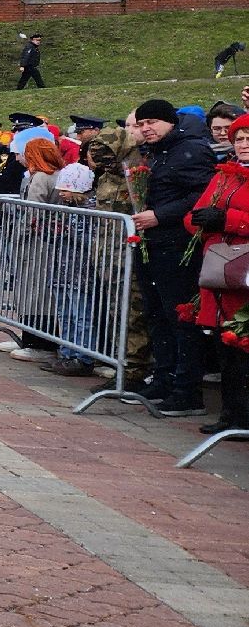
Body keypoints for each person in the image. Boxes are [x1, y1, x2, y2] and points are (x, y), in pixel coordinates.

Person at [130, 99, 217, 415]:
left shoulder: (190, 150)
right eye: (141, 123)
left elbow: (203, 195)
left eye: (151, 121)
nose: (145, 128)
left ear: (170, 122)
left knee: (180, 317)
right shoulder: (156, 154)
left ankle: (186, 389)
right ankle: (164, 378)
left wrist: (161, 215)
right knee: (156, 314)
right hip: (152, 243)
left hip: (177, 245)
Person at [182, 119, 249, 433]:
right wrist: (201, 222)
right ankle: (232, 415)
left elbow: (231, 218)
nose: (243, 143)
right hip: (222, 268)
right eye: (239, 138)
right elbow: (195, 214)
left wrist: (228, 220)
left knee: (242, 344)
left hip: (244, 272)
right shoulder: (225, 176)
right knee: (227, 347)